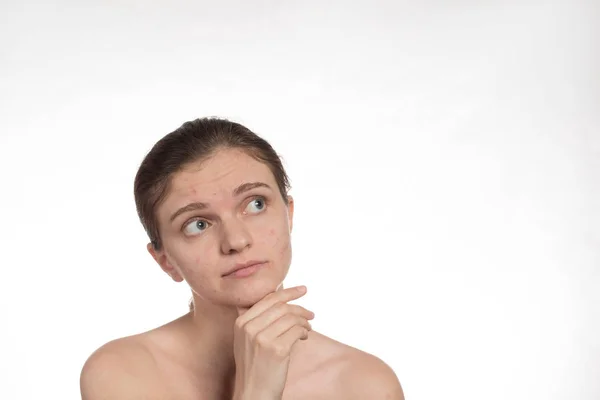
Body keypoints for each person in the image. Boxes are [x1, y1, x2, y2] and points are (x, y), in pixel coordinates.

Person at [79, 117, 404, 399]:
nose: (236, 240)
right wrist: (257, 391)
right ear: (166, 260)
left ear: (288, 215)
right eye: (198, 224)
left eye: (256, 204)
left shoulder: (366, 385)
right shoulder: (122, 373)